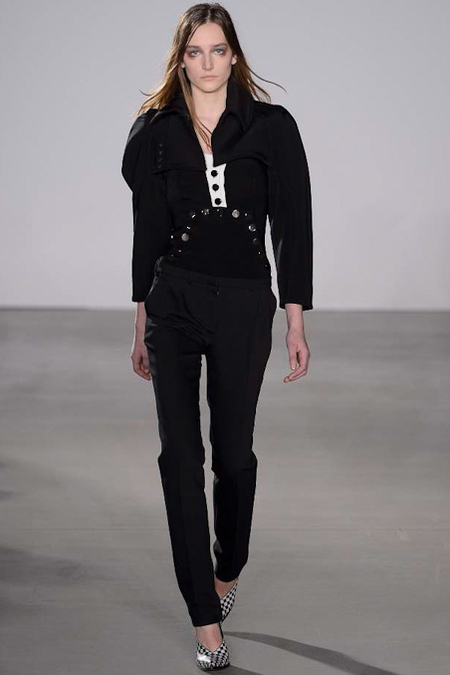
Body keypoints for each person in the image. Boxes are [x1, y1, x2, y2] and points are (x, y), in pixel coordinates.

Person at [121, 3, 313, 670]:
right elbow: (147, 229)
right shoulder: (156, 131)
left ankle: (228, 565)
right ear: (181, 59)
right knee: (180, 456)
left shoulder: (271, 128)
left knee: (234, 455)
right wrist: (141, 320)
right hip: (173, 301)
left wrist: (294, 317)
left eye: (218, 50)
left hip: (243, 305)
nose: (207, 62)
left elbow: (293, 222)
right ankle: (204, 618)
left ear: (235, 55)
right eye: (195, 51)